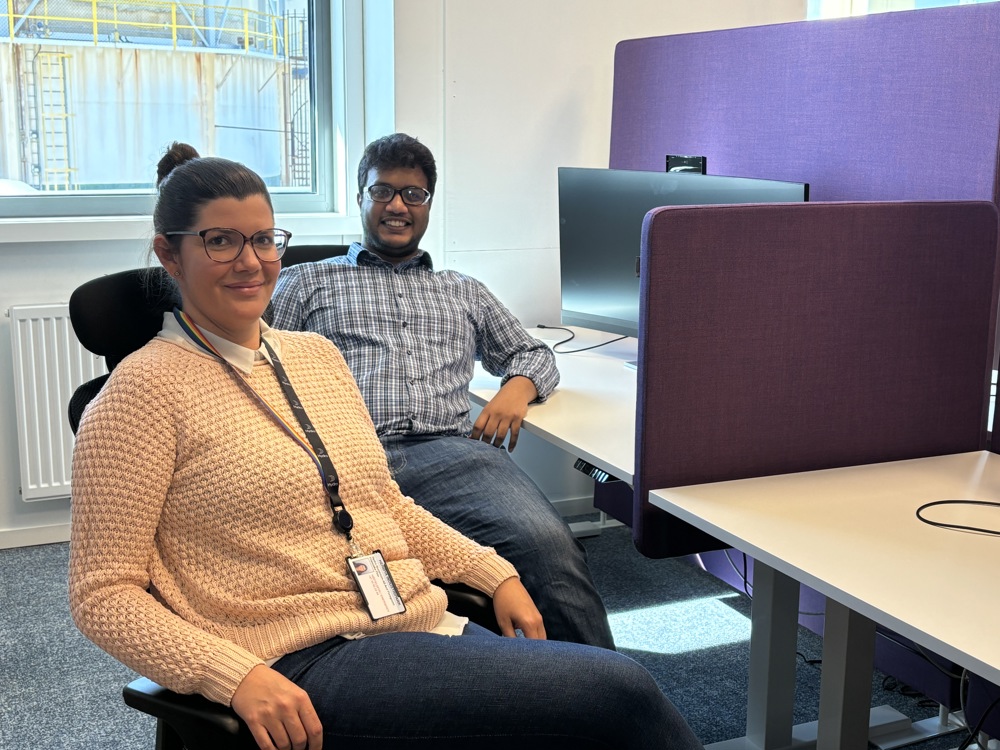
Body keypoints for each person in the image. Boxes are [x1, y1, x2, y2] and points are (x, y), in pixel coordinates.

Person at [68, 143, 703, 750]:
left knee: (577, 707)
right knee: (618, 692)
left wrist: (493, 572)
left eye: (263, 239)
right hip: (301, 657)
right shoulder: (139, 396)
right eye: (220, 240)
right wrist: (231, 675)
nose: (251, 261)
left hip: (408, 618)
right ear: (169, 255)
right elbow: (102, 594)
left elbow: (384, 504)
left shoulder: (314, 357)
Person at [270, 133, 615, 649]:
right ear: (360, 196)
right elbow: (257, 368)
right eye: (382, 190)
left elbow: (533, 354)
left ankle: (597, 701)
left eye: (414, 194)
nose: (397, 206)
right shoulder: (305, 283)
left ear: (428, 203)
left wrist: (516, 389)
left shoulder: (461, 289)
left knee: (548, 547)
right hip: (344, 462)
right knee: (342, 591)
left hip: (453, 456)